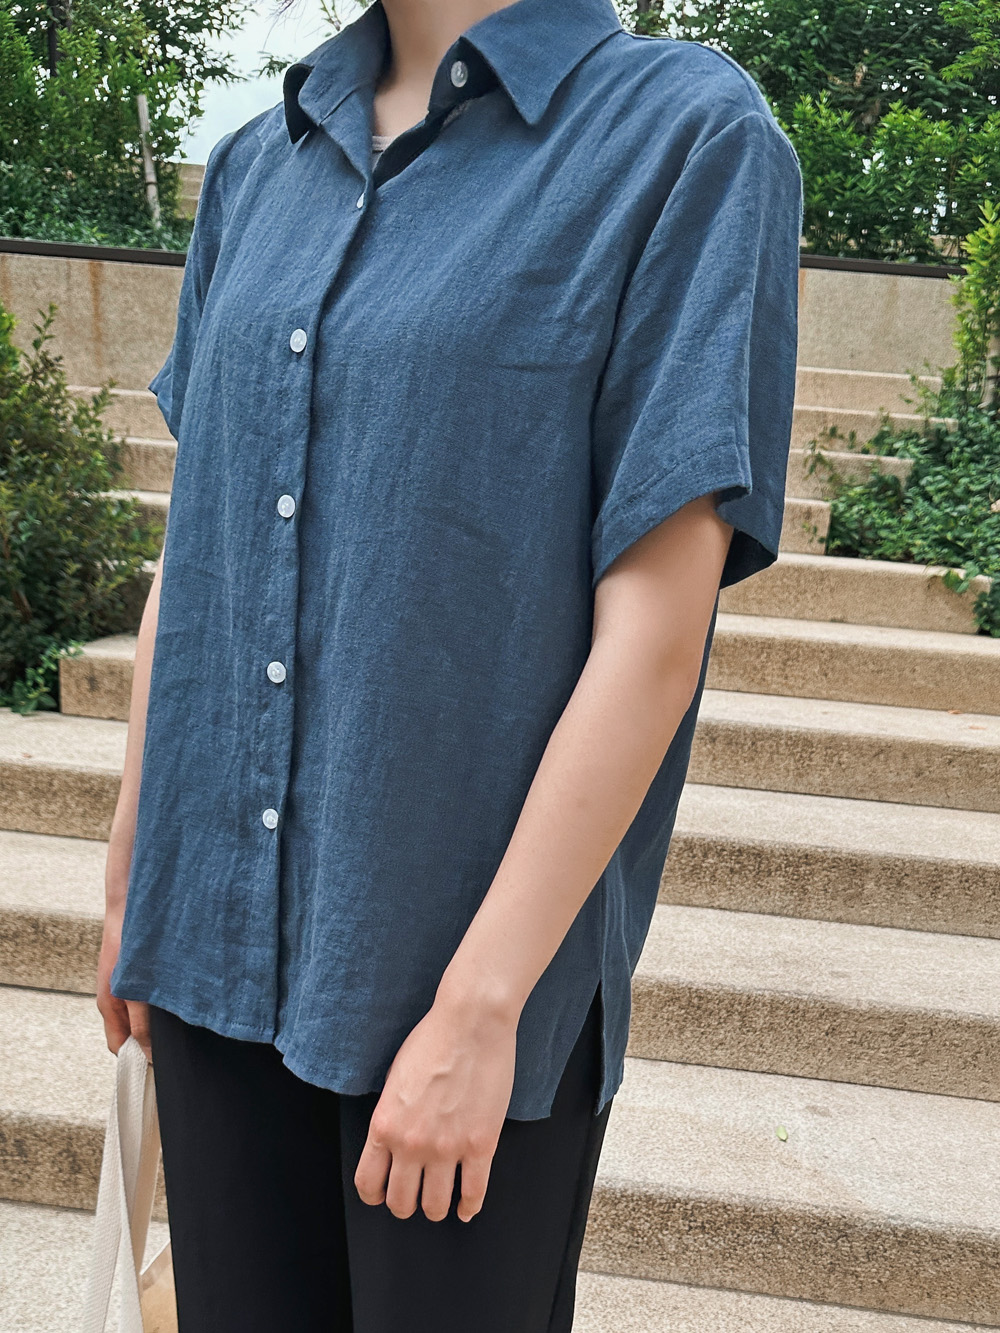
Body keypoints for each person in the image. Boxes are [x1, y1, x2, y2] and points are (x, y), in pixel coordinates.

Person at [96, 0, 804, 1329]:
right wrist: (139, 868)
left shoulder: (685, 137)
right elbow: (202, 549)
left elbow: (653, 636)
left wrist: (483, 1007)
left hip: (460, 980)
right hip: (210, 946)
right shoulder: (260, 161)